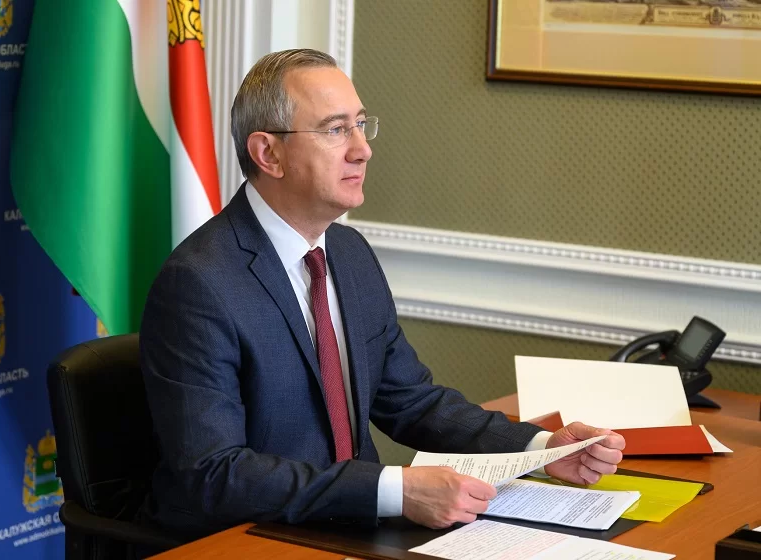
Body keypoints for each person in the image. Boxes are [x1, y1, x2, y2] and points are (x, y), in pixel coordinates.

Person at [138, 48, 625, 541]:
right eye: (335, 130)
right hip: (247, 539)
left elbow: (410, 401)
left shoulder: (348, 252)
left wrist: (542, 448)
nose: (362, 150)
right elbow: (213, 473)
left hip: (349, 529)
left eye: (360, 124)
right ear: (269, 154)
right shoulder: (198, 283)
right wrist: (396, 490)